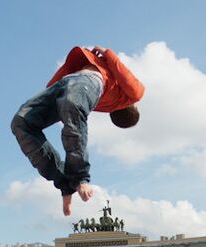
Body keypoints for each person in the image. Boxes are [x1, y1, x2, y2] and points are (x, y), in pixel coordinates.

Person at [11, 45, 145, 216]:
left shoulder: (132, 96)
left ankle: (80, 177)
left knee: (72, 107)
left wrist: (107, 53)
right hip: (66, 84)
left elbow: (128, 78)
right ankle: (64, 183)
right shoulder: (104, 102)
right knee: (21, 122)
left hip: (85, 81)